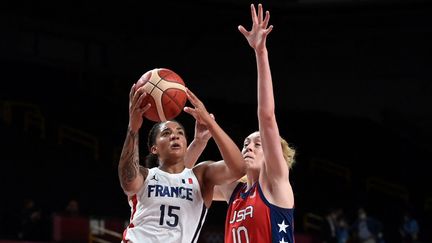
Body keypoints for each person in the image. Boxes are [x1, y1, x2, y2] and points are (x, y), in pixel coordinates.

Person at [186, 4, 296, 243]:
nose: (248, 146)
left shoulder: (276, 183)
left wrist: (260, 52)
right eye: (246, 142)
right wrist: (197, 143)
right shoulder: (234, 190)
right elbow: (181, 186)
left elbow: (266, 117)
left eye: (258, 144)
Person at [118, 84, 246, 243]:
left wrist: (210, 124)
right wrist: (133, 128)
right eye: (166, 133)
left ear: (186, 142)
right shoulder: (145, 175)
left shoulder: (201, 176)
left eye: (180, 133)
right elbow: (128, 183)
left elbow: (239, 169)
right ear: (154, 148)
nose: (175, 136)